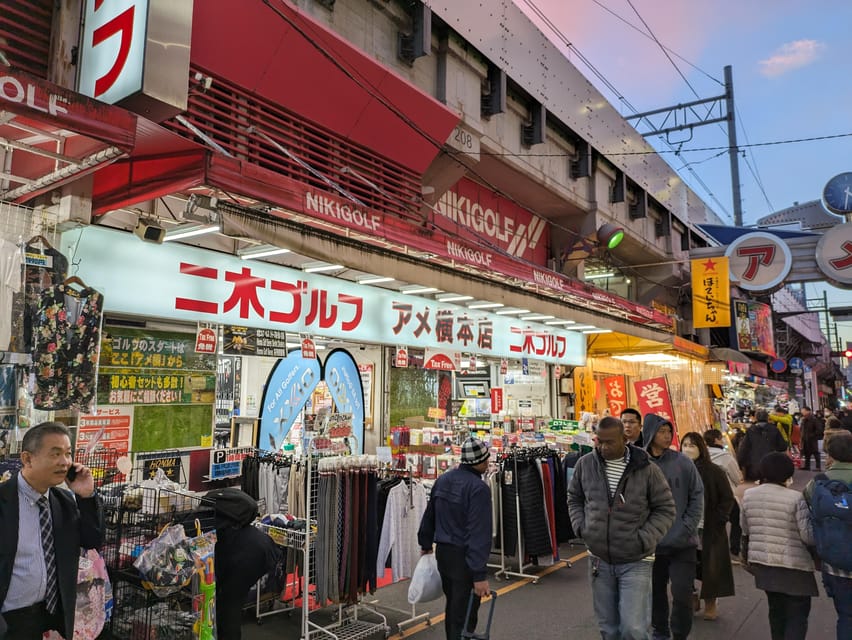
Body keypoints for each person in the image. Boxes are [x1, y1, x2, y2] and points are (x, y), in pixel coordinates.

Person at [567, 416, 675, 640]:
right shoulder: (585, 464)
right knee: (609, 628)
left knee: (633, 629)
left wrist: (645, 538)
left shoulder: (646, 468)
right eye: (600, 441)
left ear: (624, 439)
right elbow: (574, 497)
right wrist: (581, 526)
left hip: (636, 559)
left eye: (610, 442)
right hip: (599, 559)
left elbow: (665, 508)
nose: (604, 447)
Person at [0, 422, 104, 640]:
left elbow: (92, 540)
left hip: (53, 615)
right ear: (27, 459)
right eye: (55, 454)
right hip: (9, 619)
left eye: (68, 454)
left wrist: (86, 497)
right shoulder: (4, 501)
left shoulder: (63, 502)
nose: (65, 462)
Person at [418, 437, 492, 640]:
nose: (488, 462)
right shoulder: (479, 489)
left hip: (444, 556)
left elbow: (429, 514)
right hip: (465, 559)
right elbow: (479, 534)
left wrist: (425, 542)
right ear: (477, 462)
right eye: (486, 458)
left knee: (453, 607)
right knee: (465, 614)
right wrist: (479, 575)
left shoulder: (443, 479)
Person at [741, 452, 817, 640]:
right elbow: (808, 536)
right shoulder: (796, 498)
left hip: (764, 564)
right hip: (795, 567)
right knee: (797, 616)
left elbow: (745, 528)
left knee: (776, 612)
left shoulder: (749, 495)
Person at [642, 414, 704, 640]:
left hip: (682, 543)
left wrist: (687, 526)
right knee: (655, 593)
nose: (667, 436)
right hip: (650, 544)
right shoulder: (639, 463)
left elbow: (697, 496)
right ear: (650, 433)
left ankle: (680, 633)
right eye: (661, 432)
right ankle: (660, 631)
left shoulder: (683, 462)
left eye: (669, 431)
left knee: (682, 593)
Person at [207, 487, 283, 640]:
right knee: (230, 602)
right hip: (261, 549)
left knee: (229, 605)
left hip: (248, 557)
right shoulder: (229, 522)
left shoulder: (209, 520)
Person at [803, 433, 852, 640]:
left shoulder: (818, 483)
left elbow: (809, 515)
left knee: (846, 616)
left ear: (830, 455)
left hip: (835, 562)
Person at [681, 432, 735, 621]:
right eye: (685, 444)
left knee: (710, 568)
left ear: (701, 448)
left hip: (709, 527)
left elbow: (727, 498)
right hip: (684, 528)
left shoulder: (714, 471)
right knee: (685, 565)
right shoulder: (678, 469)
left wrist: (720, 519)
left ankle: (710, 603)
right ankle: (692, 596)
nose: (687, 449)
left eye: (692, 445)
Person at [703, 429, 743, 556]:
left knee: (712, 522)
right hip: (726, 496)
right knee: (736, 519)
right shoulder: (726, 457)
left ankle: (711, 548)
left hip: (706, 496)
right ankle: (735, 548)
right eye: (721, 438)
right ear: (716, 440)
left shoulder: (702, 456)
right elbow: (737, 477)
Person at [736, 409, 788, 482]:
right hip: (771, 463)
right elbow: (782, 446)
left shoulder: (751, 430)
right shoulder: (774, 429)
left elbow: (744, 448)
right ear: (767, 418)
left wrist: (740, 462)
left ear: (756, 418)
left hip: (755, 464)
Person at [799, 406, 823, 471]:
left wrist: (812, 435)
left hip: (812, 439)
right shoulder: (804, 419)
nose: (802, 412)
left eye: (803, 410)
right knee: (807, 453)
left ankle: (818, 467)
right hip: (805, 439)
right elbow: (802, 429)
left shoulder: (814, 419)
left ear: (808, 411)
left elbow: (819, 430)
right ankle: (807, 466)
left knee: (815, 452)